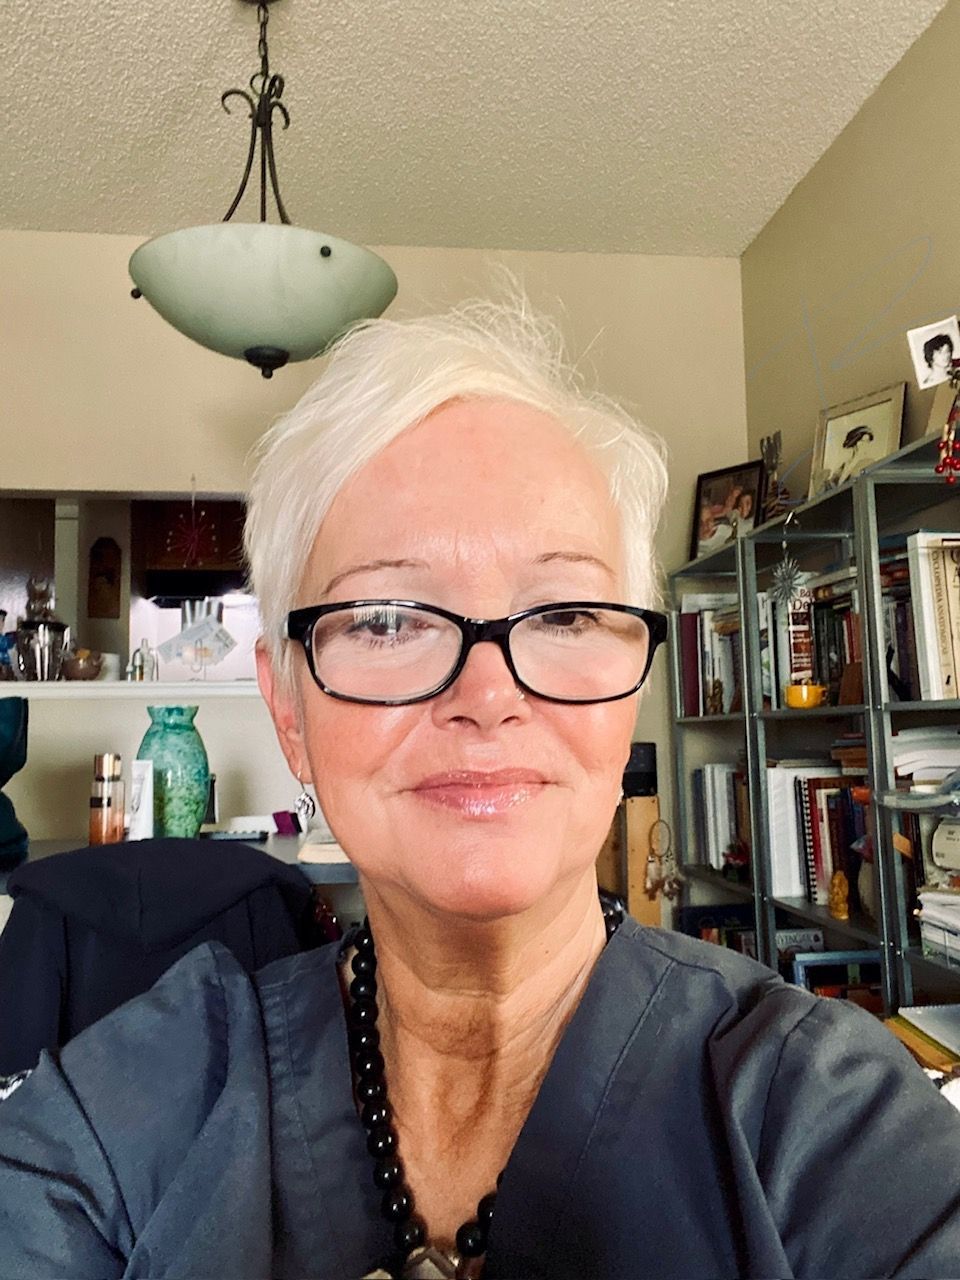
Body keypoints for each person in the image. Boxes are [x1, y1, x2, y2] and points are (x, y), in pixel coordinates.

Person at [2, 300, 960, 1280]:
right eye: (385, 619)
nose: (488, 695)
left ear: (629, 686)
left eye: (567, 610)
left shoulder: (834, 1124)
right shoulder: (126, 1114)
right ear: (287, 704)